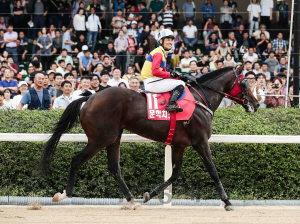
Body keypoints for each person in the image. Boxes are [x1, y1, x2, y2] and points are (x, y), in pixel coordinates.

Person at [141, 29, 185, 112]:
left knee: (179, 80)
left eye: (171, 40)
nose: (170, 42)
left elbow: (164, 73)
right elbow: (155, 72)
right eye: (168, 39)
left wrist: (178, 76)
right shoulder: (158, 53)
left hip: (154, 81)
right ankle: (171, 104)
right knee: (181, 84)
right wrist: (171, 75)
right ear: (161, 41)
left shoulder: (161, 53)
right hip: (152, 83)